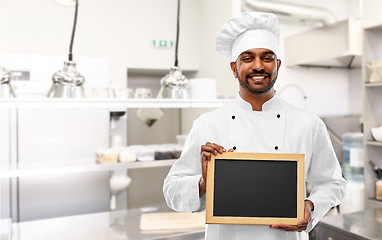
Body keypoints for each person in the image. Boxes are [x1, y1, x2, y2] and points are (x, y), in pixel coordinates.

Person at [163, 11, 346, 240]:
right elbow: (171, 191)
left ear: (277, 64)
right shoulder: (207, 125)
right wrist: (203, 183)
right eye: (247, 58)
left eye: (267, 58)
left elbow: (333, 183)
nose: (258, 66)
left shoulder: (308, 124)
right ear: (233, 67)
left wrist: (311, 206)